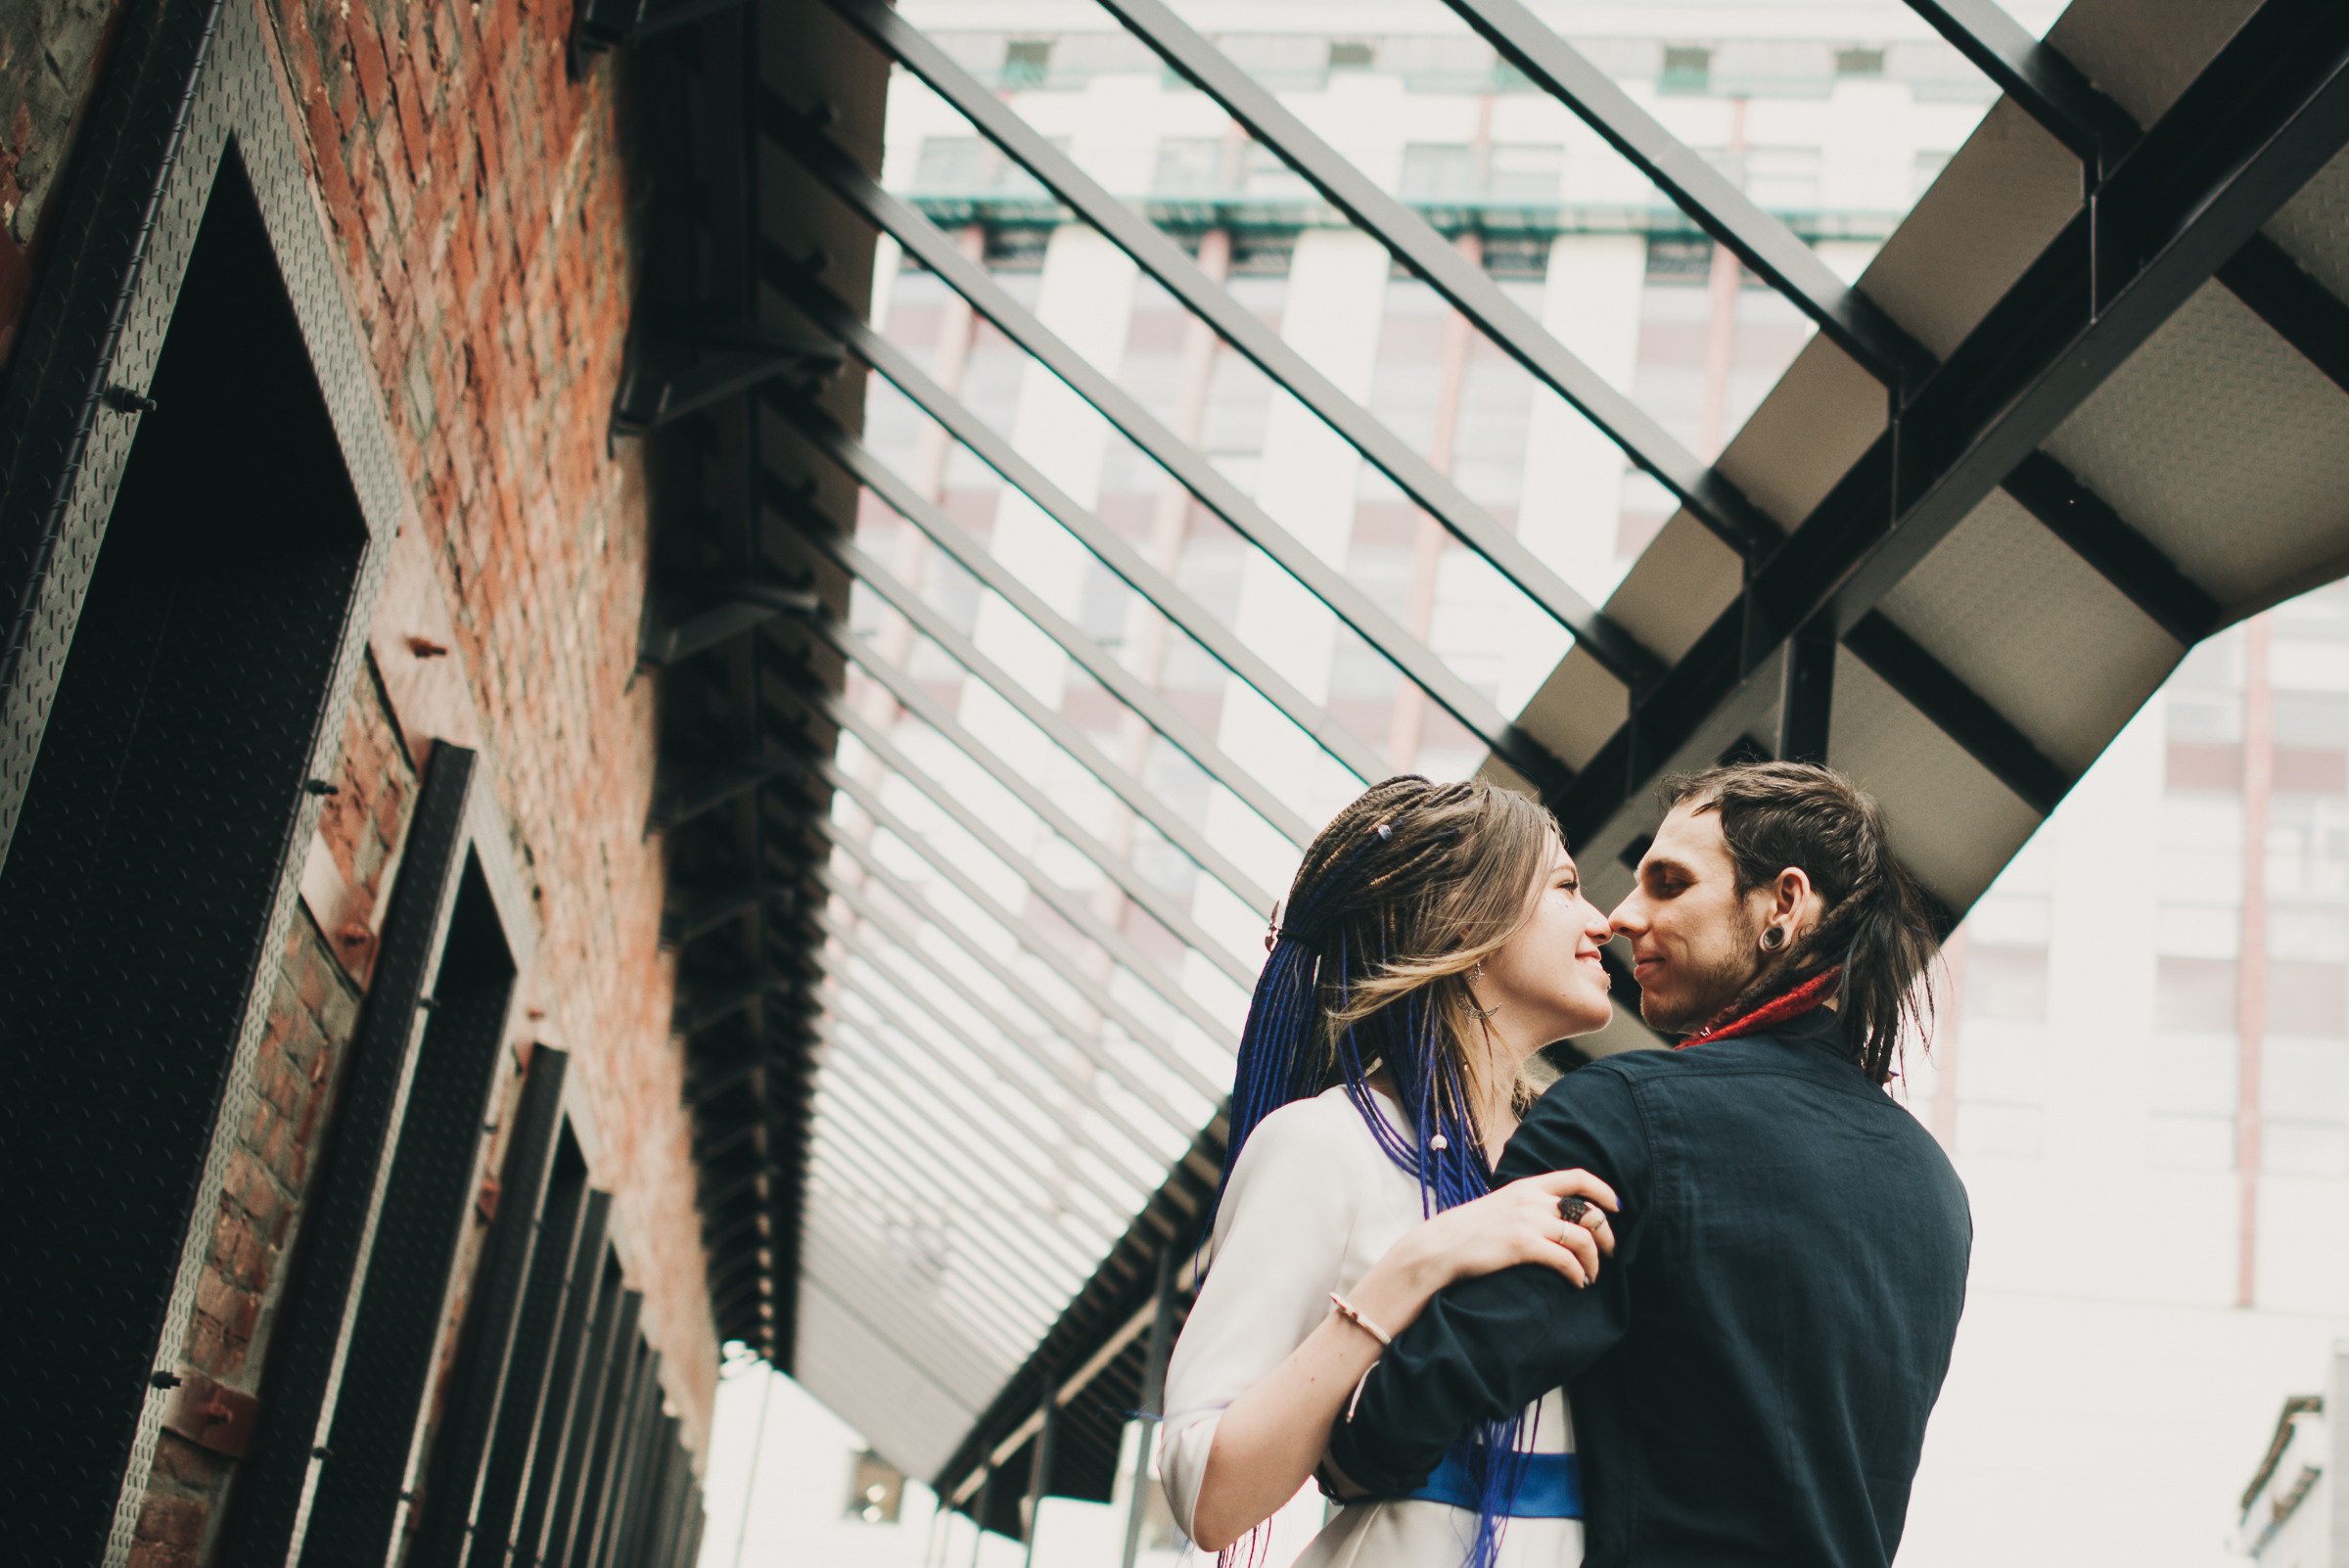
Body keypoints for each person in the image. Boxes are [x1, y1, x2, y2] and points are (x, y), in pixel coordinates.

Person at [1323, 761, 1973, 1568]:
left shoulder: (1624, 1114)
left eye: (1669, 883)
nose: (1624, 916)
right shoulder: (1937, 1190)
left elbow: (1383, 1434)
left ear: (1785, 903)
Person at [1160, 774, 1628, 1568]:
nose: (1604, 921)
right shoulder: (1322, 1145)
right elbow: (1207, 1494)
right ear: (1464, 921)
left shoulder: (1577, 1155)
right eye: (1566, 886)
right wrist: (1420, 1263)